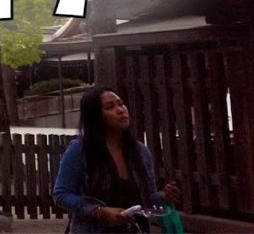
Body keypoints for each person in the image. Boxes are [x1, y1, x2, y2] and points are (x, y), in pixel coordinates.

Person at [53, 86, 181, 233]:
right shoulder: (80, 150)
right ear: (95, 116)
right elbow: (61, 194)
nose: (121, 110)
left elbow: (148, 199)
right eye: (110, 107)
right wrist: (99, 211)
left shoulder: (140, 151)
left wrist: (163, 197)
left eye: (121, 103)